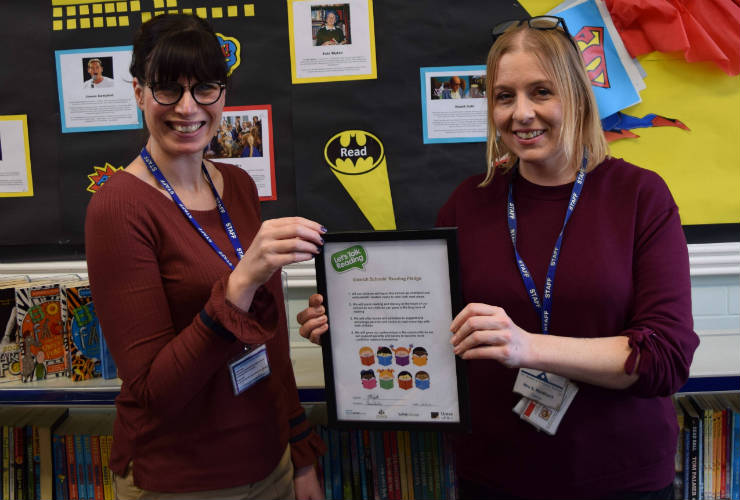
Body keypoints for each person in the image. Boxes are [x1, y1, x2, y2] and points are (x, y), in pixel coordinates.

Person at [297, 15, 699, 500]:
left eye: (541, 92)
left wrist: (528, 347)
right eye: (505, 96)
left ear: (575, 94)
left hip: (621, 477)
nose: (521, 113)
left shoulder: (639, 195)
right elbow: (435, 332)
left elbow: (665, 358)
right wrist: (352, 320)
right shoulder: (470, 202)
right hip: (493, 475)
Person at [85, 13, 326, 500]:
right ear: (138, 93)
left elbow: (271, 340)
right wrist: (239, 286)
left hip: (270, 457)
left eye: (205, 88)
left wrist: (299, 453)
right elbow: (155, 391)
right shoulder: (118, 206)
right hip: (183, 479)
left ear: (224, 93)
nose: (188, 107)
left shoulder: (236, 184)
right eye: (168, 88)